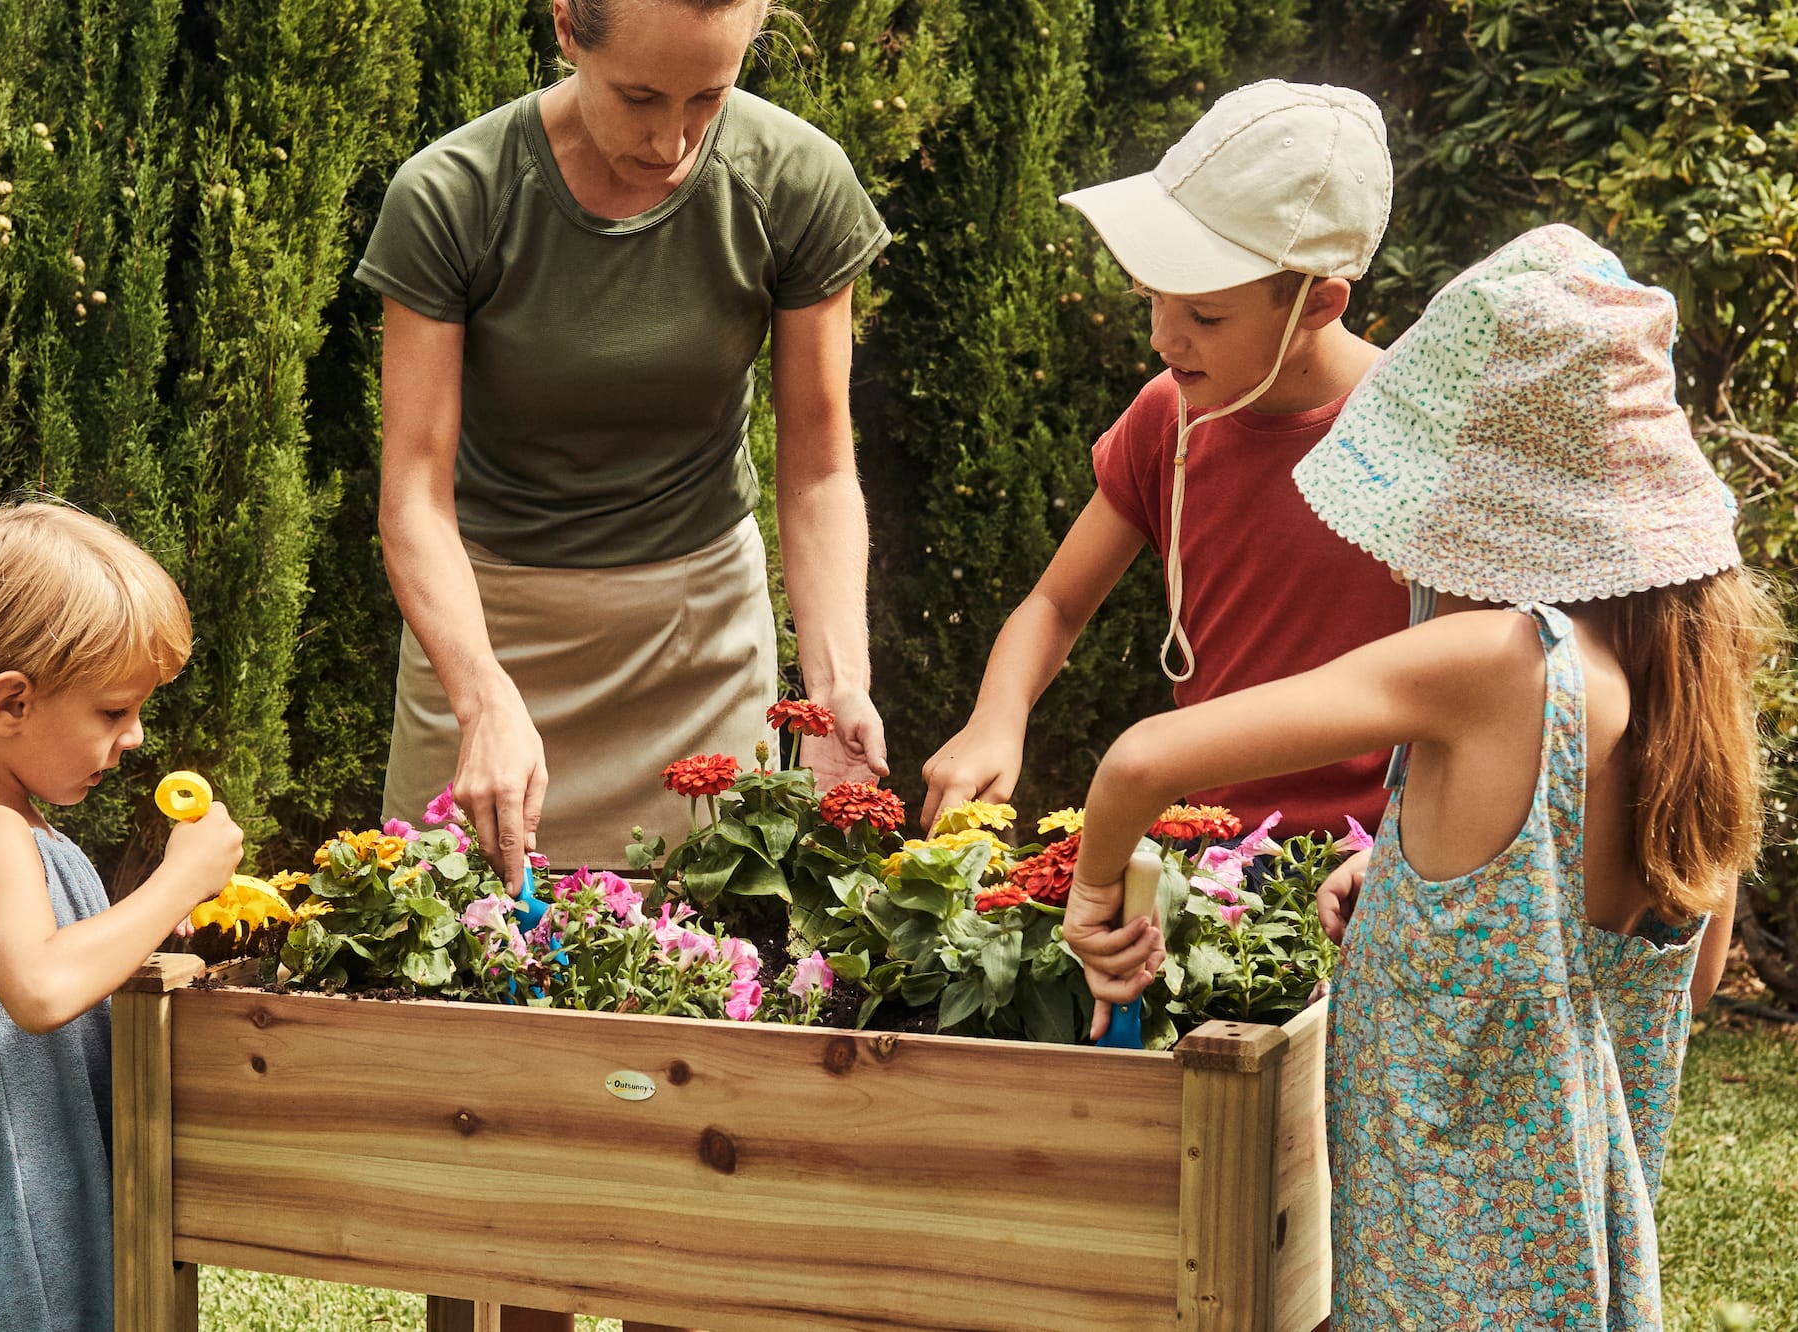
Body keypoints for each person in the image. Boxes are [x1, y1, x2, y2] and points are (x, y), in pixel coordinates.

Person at [1065, 224, 1778, 1325]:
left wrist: (1093, 893)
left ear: (1490, 504)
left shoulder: (1491, 661)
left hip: (1428, 1283)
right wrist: (1404, 897)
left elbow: (1142, 761)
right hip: (1577, 1280)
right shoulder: (1686, 696)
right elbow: (1654, 975)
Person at [358, 0, 890, 890]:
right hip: (487, 637)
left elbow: (820, 471)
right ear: (567, 28)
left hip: (699, 646)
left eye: (708, 99)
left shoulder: (794, 180)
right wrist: (481, 696)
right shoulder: (454, 193)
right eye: (641, 97)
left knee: (703, 978)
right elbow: (414, 493)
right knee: (449, 963)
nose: (674, 141)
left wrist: (837, 683)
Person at [920, 80, 1406, 838]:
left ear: (1319, 304)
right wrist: (995, 719)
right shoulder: (1168, 417)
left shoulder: (1421, 435)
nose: (1163, 338)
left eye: (1204, 316)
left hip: (1374, 865)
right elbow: (1056, 605)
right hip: (1206, 850)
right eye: (1152, 297)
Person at [0, 502, 244, 1332]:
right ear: (11, 703)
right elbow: (38, 989)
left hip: (28, 1249)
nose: (135, 737)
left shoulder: (6, 828)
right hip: (13, 1269)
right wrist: (178, 883)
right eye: (113, 712)